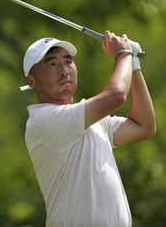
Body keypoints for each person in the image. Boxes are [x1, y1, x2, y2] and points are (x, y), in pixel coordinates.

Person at [21, 31, 156, 227]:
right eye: (51, 63)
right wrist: (124, 55)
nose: (63, 70)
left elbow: (144, 127)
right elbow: (116, 95)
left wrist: (134, 64)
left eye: (68, 61)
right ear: (31, 81)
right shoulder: (42, 120)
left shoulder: (94, 122)